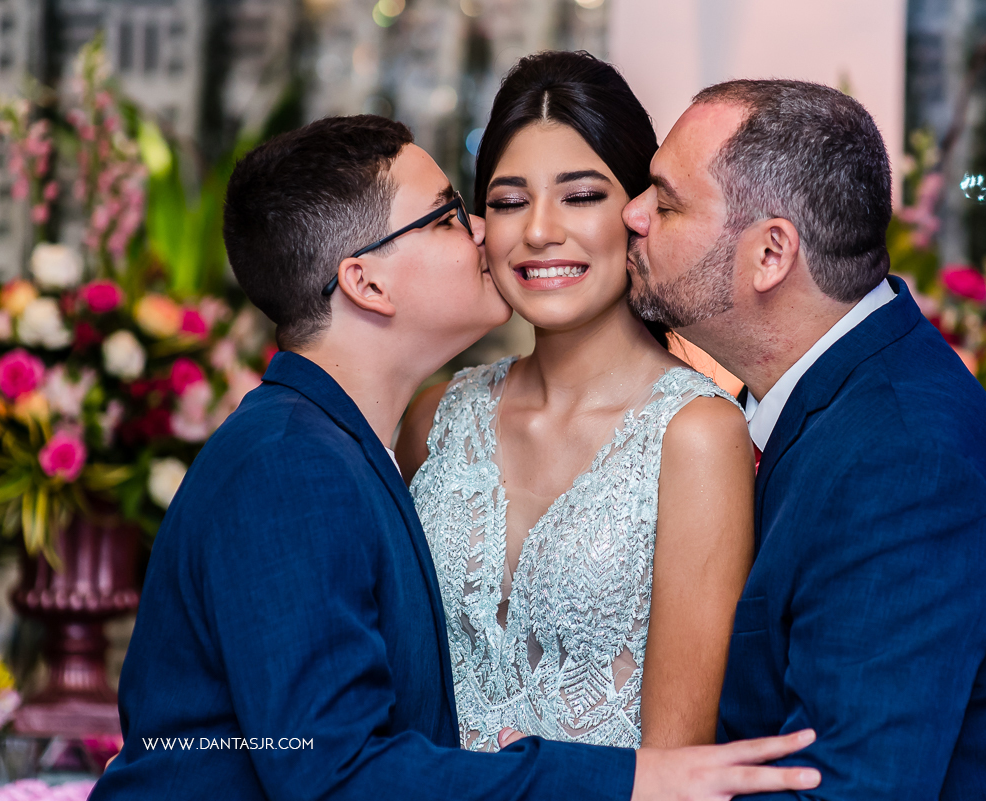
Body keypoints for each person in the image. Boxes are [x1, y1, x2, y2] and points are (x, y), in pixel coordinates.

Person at [90, 114, 821, 800]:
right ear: (366, 282)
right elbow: (333, 772)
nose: (486, 232)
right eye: (445, 217)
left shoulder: (338, 442)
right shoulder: (292, 464)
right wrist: (626, 779)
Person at [622, 79, 986, 799]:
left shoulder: (904, 464)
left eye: (666, 202)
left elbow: (846, 789)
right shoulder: (836, 404)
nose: (632, 213)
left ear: (770, 255)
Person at [395, 51, 754, 753]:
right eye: (508, 200)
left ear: (639, 214)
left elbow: (678, 762)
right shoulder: (435, 416)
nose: (538, 230)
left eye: (581, 195)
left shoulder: (699, 432)